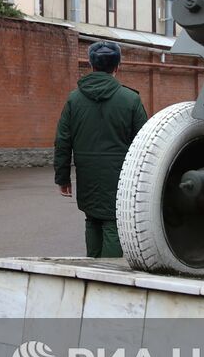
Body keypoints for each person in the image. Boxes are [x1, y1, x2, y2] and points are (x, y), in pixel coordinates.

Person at [54, 41, 148, 259]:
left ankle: (93, 267)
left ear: (91, 65)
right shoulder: (131, 99)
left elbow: (63, 140)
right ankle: (108, 275)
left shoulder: (74, 99)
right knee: (114, 222)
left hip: (87, 173)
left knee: (92, 218)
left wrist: (63, 177)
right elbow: (144, 142)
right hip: (120, 175)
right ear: (117, 67)